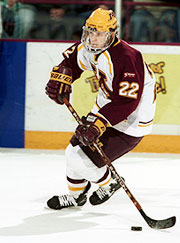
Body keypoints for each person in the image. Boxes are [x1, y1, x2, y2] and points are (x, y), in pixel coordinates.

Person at [45, 8, 156, 210]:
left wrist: (98, 123)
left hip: (130, 122)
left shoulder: (127, 57)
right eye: (90, 32)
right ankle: (76, 196)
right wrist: (62, 77)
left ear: (112, 34)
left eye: (99, 34)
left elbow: (126, 102)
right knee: (73, 151)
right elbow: (71, 62)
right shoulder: (89, 47)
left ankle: (109, 183)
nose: (93, 39)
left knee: (76, 157)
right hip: (106, 111)